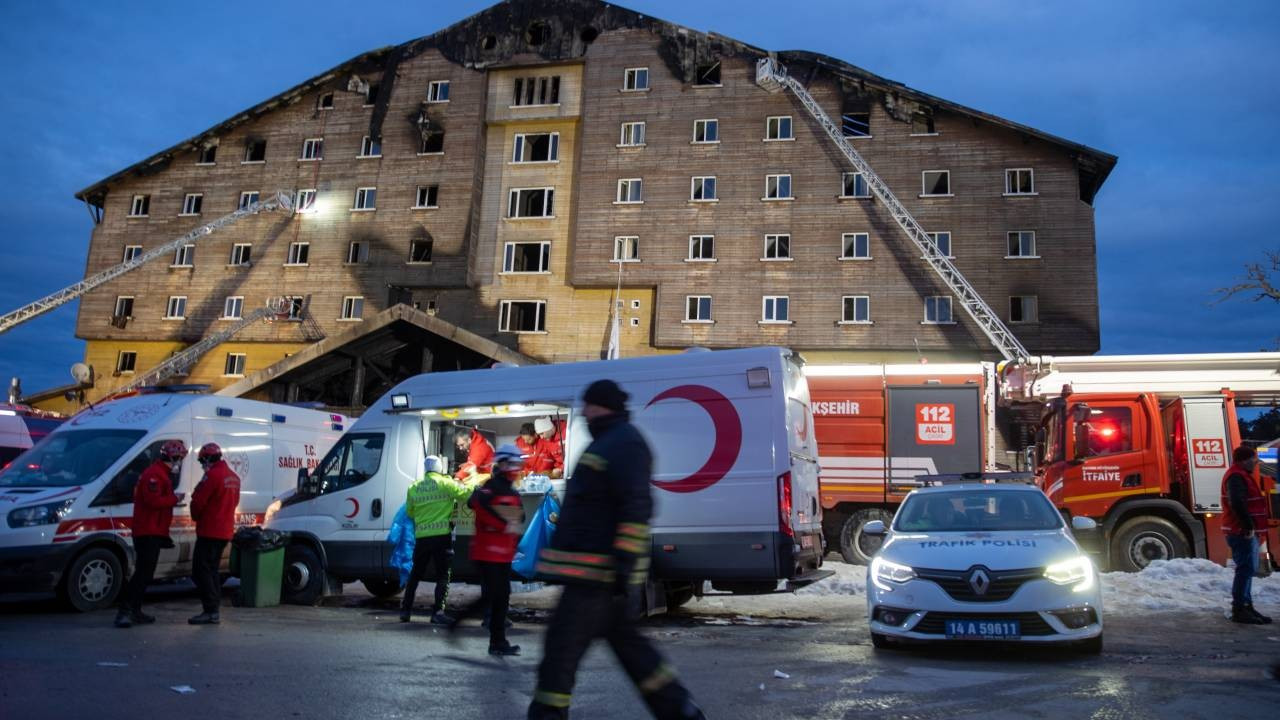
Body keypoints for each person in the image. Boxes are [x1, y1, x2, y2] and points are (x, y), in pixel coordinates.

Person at [528, 380, 703, 720]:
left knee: (560, 656)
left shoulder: (622, 444)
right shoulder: (612, 442)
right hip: (597, 578)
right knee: (635, 655)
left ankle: (547, 715)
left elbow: (635, 510)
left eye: (589, 406)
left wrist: (623, 572)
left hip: (596, 580)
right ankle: (680, 710)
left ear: (601, 406)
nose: (585, 413)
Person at [449, 443, 526, 655]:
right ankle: (492, 639)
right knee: (495, 596)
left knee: (499, 597)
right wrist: (504, 523)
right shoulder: (490, 487)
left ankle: (496, 641)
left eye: (517, 464)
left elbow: (519, 516)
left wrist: (511, 522)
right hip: (487, 553)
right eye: (512, 464)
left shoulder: (509, 489)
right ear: (502, 464)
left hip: (502, 554)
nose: (516, 468)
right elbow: (476, 504)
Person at [114, 440, 187, 628]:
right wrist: (173, 498)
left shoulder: (160, 473)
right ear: (174, 457)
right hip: (148, 531)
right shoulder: (155, 475)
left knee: (146, 573)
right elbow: (153, 501)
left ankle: (135, 610)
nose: (180, 462)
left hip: (152, 530)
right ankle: (126, 610)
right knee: (142, 574)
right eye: (180, 458)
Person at [402, 455, 475, 624]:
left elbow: (410, 512)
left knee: (415, 574)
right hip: (442, 537)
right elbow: (465, 495)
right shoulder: (445, 483)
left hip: (421, 538)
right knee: (443, 575)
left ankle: (405, 610)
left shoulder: (413, 487)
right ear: (439, 468)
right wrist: (474, 484)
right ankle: (437, 612)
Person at [188, 442, 240, 625]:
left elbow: (198, 502)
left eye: (203, 461)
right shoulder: (234, 477)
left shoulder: (211, 476)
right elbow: (234, 503)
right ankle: (213, 608)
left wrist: (196, 516)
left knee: (201, 571)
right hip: (224, 531)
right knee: (212, 571)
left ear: (208, 458)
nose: (203, 465)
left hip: (209, 531)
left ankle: (210, 610)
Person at [1222, 445, 1272, 625]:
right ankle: (1239, 609)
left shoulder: (1241, 475)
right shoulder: (1236, 476)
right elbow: (1236, 502)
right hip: (1242, 531)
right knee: (1245, 569)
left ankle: (1246, 606)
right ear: (1244, 460)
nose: (1256, 463)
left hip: (1243, 530)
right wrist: (1248, 525)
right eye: (1254, 459)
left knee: (1248, 569)